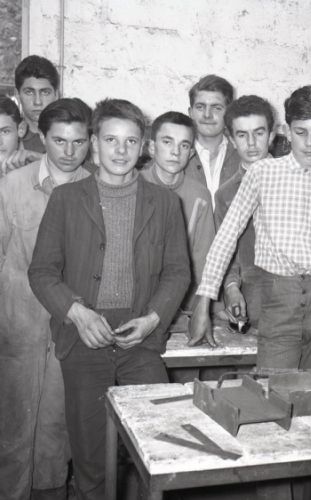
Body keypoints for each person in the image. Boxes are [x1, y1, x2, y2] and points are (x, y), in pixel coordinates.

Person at [28, 98, 190, 500]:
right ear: (95, 144)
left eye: (131, 141)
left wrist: (152, 319)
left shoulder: (165, 203)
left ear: (143, 146)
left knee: (160, 444)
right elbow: (42, 271)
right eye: (111, 140)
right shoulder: (66, 199)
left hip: (141, 339)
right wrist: (77, 313)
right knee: (91, 456)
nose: (121, 150)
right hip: (84, 338)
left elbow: (177, 273)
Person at [190, 85, 311, 374]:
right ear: (286, 131)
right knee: (273, 389)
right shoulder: (262, 174)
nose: (309, 142)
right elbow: (226, 238)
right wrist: (204, 303)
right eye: (300, 132)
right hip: (279, 300)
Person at [0, 97, 93, 500]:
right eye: (59, 140)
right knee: (10, 431)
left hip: (69, 333)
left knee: (57, 436)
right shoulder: (11, 186)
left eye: (78, 141)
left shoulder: (97, 190)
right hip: (15, 332)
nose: (69, 151)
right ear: (40, 136)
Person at [141, 111, 215, 313]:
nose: (176, 152)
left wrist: (198, 309)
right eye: (167, 142)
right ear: (152, 147)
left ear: (191, 153)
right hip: (137, 300)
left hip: (181, 302)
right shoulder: (135, 185)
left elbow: (202, 258)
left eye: (184, 145)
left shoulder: (200, 195)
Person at [214, 94, 276, 328]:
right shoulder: (226, 194)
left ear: (272, 135)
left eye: (258, 133)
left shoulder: (297, 182)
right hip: (253, 299)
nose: (251, 143)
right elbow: (226, 253)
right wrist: (231, 289)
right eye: (242, 135)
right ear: (231, 139)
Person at [185, 74, 239, 205]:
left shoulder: (242, 154)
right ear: (190, 113)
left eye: (216, 108)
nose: (207, 115)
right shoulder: (177, 154)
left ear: (229, 113)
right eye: (200, 107)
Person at [5, 55, 60, 169]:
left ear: (56, 95)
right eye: (29, 92)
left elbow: (92, 173)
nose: (37, 102)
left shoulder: (72, 135)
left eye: (45, 92)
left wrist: (42, 161)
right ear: (17, 95)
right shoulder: (7, 136)